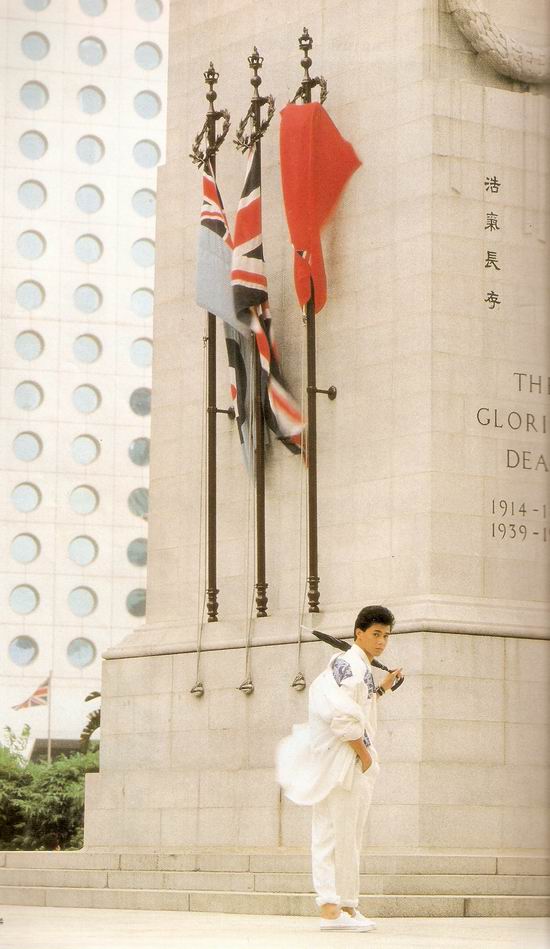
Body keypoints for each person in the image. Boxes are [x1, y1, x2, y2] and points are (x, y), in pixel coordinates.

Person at [276, 605, 403, 933]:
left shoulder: (355, 666)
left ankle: (339, 907)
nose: (381, 642)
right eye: (376, 634)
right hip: (344, 762)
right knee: (338, 835)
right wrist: (364, 755)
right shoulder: (348, 663)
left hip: (342, 762)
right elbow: (342, 716)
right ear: (359, 632)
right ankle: (338, 907)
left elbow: (358, 705)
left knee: (338, 835)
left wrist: (384, 688)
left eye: (386, 636)